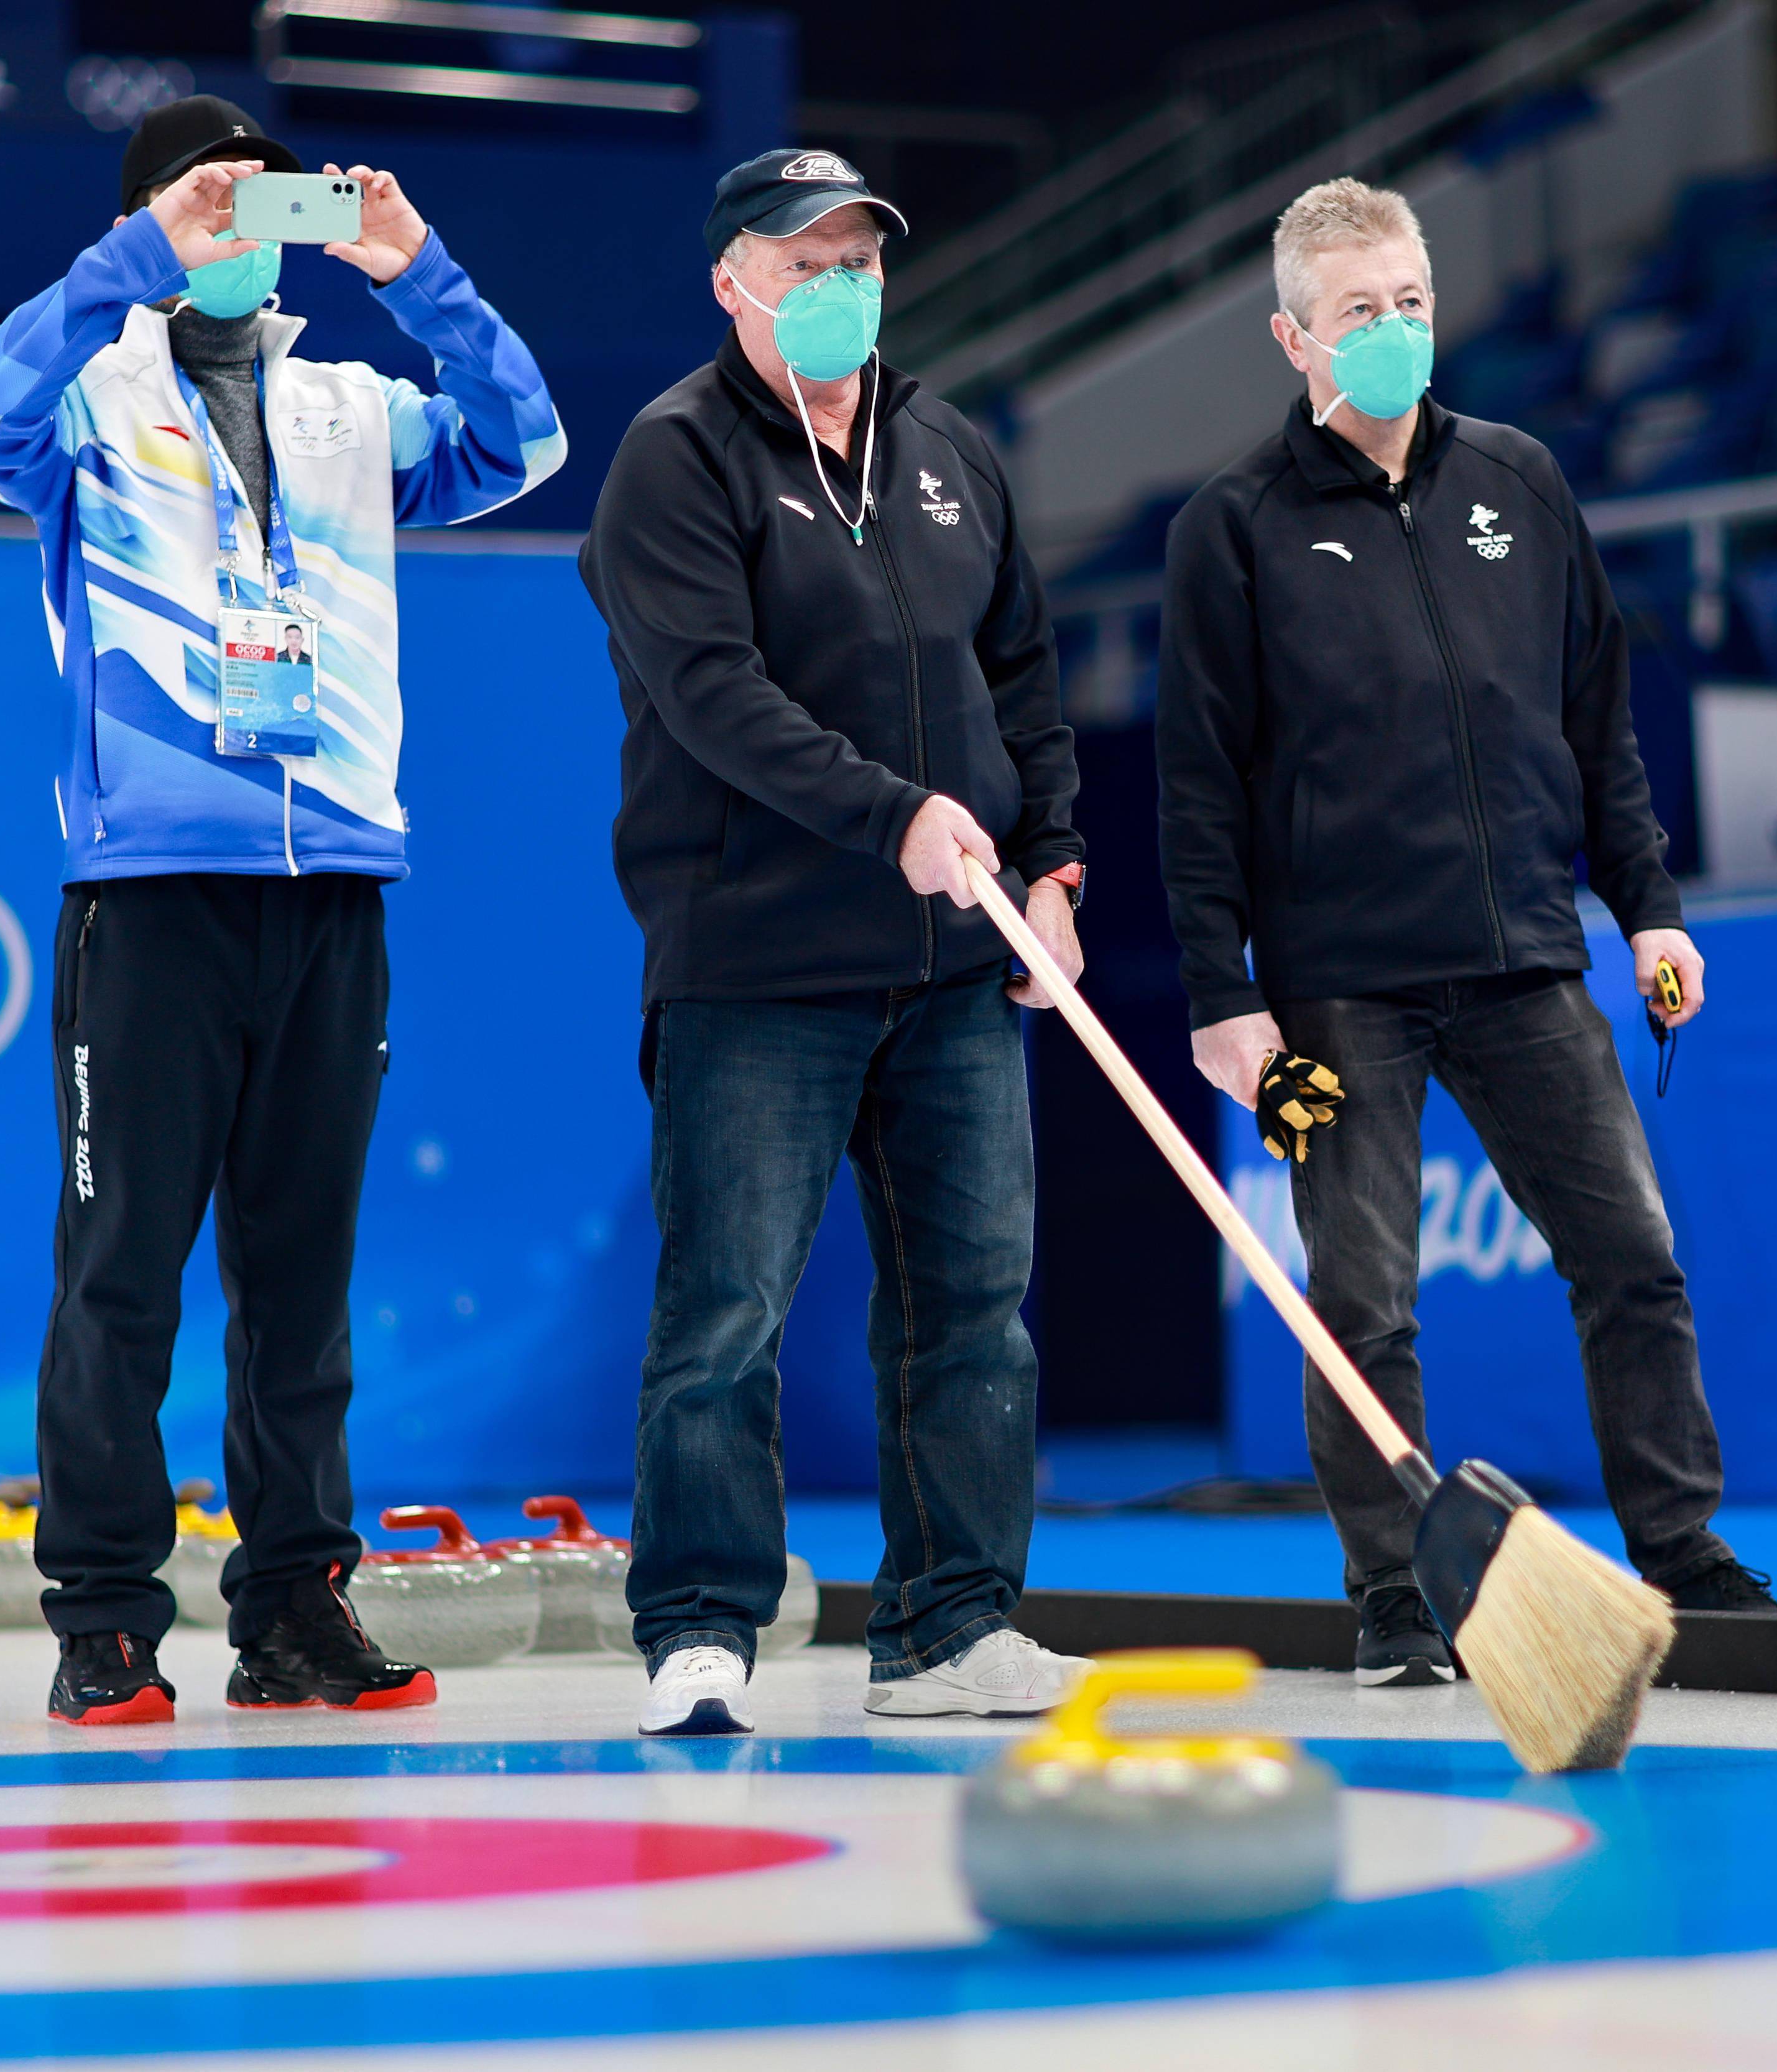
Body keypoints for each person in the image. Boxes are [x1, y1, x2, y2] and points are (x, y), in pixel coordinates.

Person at [0, 95, 567, 1726]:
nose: (235, 231)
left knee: (300, 1282)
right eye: (204, 207)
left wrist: (419, 271)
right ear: (150, 224)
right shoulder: (82, 398)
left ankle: (295, 1605)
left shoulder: (351, 408)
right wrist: (144, 254)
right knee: (122, 1274)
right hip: (147, 897)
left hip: (335, 884)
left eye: (257, 205)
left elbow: (526, 440)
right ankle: (103, 1616)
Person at [1156, 178, 1775, 1688]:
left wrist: (1648, 909)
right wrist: (1223, 996)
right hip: (1332, 994)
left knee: (1632, 1256)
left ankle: (1680, 1547)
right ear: (1294, 336)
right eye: (1360, 309)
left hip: (1525, 959)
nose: (1393, 330)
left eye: (1412, 300)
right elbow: (1197, 787)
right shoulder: (1229, 529)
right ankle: (1392, 1592)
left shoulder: (1521, 481)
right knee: (1361, 1301)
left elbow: (1597, 719)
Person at [579, 149, 1091, 1736]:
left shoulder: (949, 449)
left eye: (861, 256)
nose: (840, 286)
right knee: (726, 1303)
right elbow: (712, 696)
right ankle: (700, 1621)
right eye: (804, 262)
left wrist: (1055, 863)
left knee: (974, 1300)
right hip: (757, 964)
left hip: (952, 969)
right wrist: (894, 817)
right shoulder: (673, 459)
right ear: (731, 281)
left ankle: (950, 1624)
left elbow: (1022, 674)